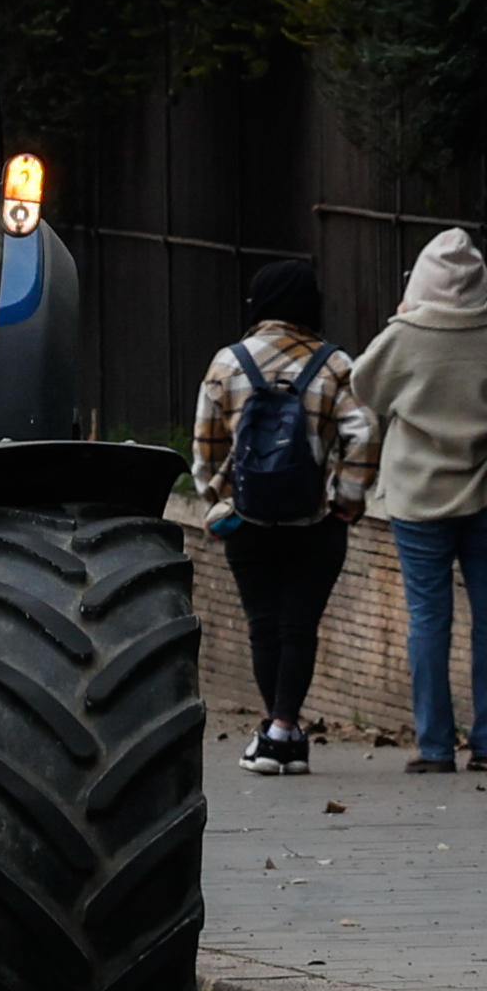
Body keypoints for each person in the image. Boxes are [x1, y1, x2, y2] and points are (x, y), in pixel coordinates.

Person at [193, 258, 378, 775]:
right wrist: (348, 500)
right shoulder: (337, 364)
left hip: (248, 523)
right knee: (300, 627)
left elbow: (207, 444)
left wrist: (217, 502)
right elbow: (364, 434)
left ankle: (278, 734)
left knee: (263, 627)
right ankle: (284, 730)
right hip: (315, 523)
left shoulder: (228, 363)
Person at [351, 228, 487, 774]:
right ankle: (486, 741)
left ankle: (434, 746)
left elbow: (364, 387)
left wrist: (404, 315)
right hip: (483, 492)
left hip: (416, 497)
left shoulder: (406, 334)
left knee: (428, 619)